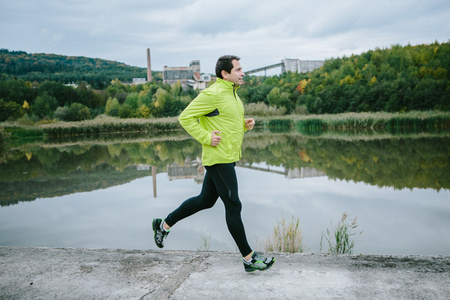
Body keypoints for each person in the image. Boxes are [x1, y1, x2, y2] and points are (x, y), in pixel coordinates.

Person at [152, 55, 275, 272]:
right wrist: (206, 137)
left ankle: (164, 225)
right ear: (224, 74)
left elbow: (224, 122)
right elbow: (185, 117)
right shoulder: (212, 94)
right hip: (218, 158)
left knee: (205, 200)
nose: (242, 73)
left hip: (228, 156)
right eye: (238, 69)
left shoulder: (234, 96)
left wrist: (244, 125)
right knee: (234, 205)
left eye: (241, 69)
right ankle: (248, 258)